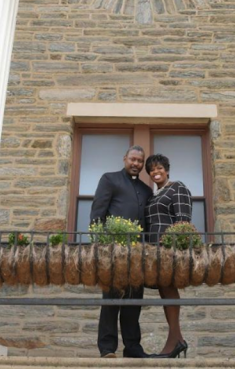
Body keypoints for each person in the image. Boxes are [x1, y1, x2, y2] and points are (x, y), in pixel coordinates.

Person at [90, 145, 153, 358]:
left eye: (140, 161)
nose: (136, 164)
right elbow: (97, 213)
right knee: (111, 300)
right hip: (113, 252)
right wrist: (99, 245)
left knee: (134, 301)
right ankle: (107, 348)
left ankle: (133, 348)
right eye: (132, 159)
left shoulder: (146, 190)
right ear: (125, 158)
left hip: (138, 254)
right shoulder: (109, 179)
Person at [144, 154, 192, 359]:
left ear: (167, 169)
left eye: (159, 168)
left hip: (168, 248)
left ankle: (175, 341)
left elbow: (183, 221)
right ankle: (177, 340)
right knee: (165, 291)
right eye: (152, 170)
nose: (156, 172)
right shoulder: (154, 196)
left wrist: (174, 248)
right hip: (153, 248)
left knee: (169, 289)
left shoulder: (177, 188)